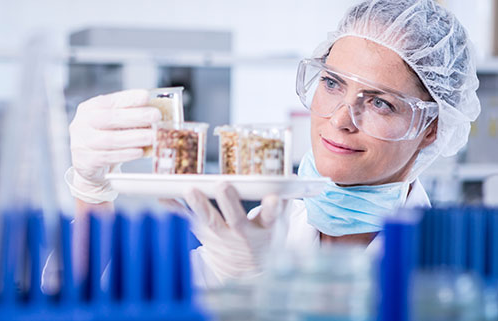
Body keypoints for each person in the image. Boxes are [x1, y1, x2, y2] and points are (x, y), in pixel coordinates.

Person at [65, 0, 480, 287]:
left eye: (380, 103)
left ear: (430, 128)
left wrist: (260, 293)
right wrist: (91, 192)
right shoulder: (261, 229)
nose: (339, 120)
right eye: (332, 83)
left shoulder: (453, 268)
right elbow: (104, 301)